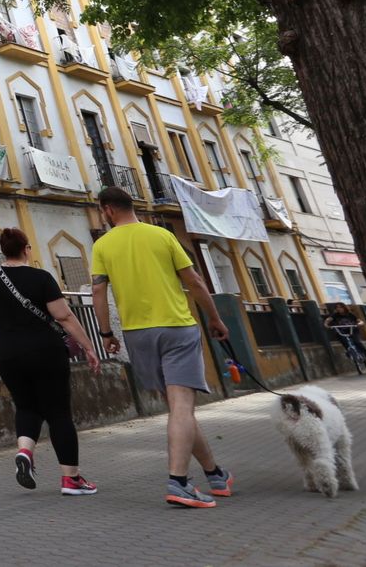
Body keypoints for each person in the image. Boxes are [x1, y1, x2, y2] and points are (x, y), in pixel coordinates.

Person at [90, 186, 233, 509]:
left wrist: (105, 333)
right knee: (182, 406)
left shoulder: (102, 245)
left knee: (177, 409)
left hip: (137, 334)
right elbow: (194, 281)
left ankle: (215, 475)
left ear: (108, 210)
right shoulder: (162, 237)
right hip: (176, 327)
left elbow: (98, 293)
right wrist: (214, 318)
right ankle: (179, 482)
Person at [0, 227, 102, 496]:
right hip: (45, 350)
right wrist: (88, 345)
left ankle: (25, 451)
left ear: (3, 251)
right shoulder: (41, 278)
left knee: (25, 406)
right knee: (58, 413)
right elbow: (64, 316)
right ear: (26, 249)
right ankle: (71, 479)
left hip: (8, 352)